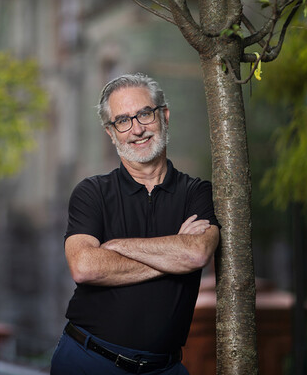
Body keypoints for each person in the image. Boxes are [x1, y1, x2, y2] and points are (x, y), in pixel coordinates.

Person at [50, 73, 220, 374]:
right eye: (122, 120)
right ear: (111, 132)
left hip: (164, 369)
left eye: (144, 114)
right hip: (89, 360)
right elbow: (85, 266)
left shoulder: (197, 192)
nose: (137, 129)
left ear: (164, 115)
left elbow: (197, 254)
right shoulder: (92, 192)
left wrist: (116, 247)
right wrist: (173, 255)